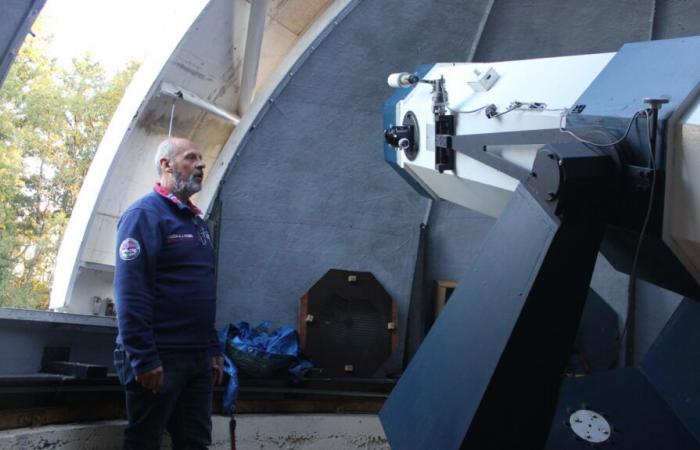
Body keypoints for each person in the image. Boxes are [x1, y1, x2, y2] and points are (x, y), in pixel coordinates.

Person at [113, 137, 224, 450]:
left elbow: (201, 291)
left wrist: (212, 346)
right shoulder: (144, 215)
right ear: (166, 165)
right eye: (191, 158)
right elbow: (130, 291)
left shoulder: (196, 222)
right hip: (160, 356)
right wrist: (144, 356)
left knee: (195, 442)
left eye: (202, 159)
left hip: (197, 358)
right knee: (144, 442)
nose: (201, 164)